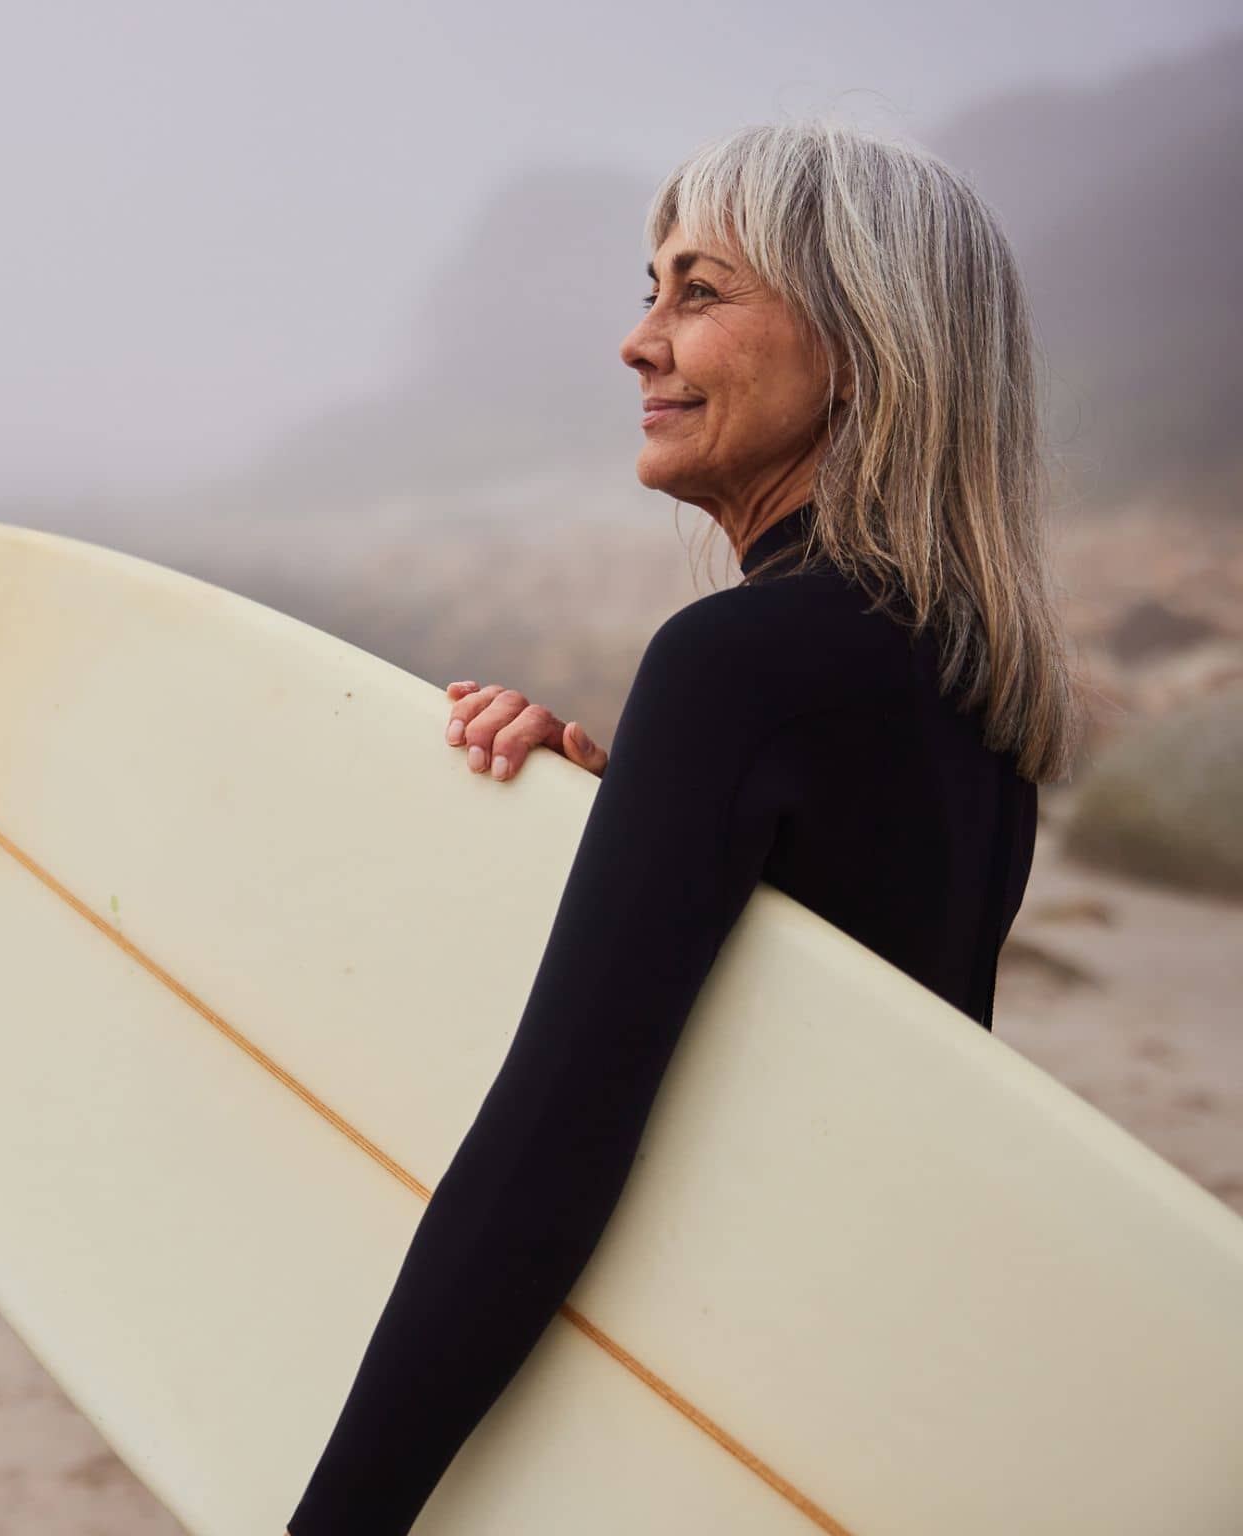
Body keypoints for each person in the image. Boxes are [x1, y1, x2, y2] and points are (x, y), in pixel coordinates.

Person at [284, 119, 1084, 1534]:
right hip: (831, 1413)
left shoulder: (744, 665)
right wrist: (623, 823)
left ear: (866, 342)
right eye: (650, 289)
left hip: (696, 1424)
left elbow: (547, 1154)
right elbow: (839, 1056)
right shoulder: (967, 691)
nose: (639, 343)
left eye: (698, 294)